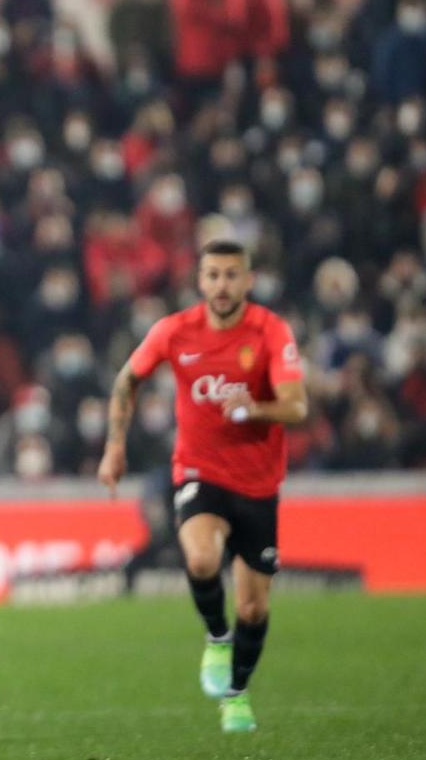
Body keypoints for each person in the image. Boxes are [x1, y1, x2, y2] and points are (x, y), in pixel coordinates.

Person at [98, 238, 309, 734]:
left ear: (248, 281)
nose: (221, 285)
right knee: (199, 558)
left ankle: (236, 693)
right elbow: (127, 380)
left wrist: (253, 407)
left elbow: (296, 407)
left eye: (232, 275)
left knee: (255, 606)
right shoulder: (175, 331)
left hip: (258, 484)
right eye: (213, 275)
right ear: (200, 281)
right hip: (198, 470)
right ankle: (217, 636)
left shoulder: (270, 332)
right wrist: (114, 446)